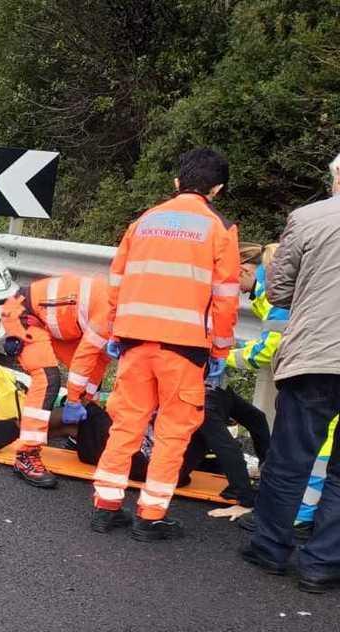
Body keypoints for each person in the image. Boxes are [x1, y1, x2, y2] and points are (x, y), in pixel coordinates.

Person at [90, 148, 241, 541]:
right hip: (185, 349)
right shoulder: (219, 228)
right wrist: (220, 352)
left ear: (177, 183)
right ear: (218, 188)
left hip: (134, 341)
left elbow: (116, 283)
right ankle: (150, 516)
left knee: (126, 426)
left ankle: (105, 508)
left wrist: (112, 333)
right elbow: (225, 299)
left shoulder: (143, 222)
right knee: (173, 433)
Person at [243, 151, 340, 592]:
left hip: (315, 357)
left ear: (337, 176)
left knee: (291, 459)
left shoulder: (309, 217)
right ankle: (322, 565)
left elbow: (279, 290)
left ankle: (270, 549)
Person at [0, 274, 112, 488]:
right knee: (48, 378)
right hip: (23, 313)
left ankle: (76, 431)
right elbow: (84, 357)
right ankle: (26, 455)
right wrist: (72, 401)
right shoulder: (112, 312)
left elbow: (98, 362)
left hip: (56, 323)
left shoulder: (126, 309)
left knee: (93, 373)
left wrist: (82, 401)